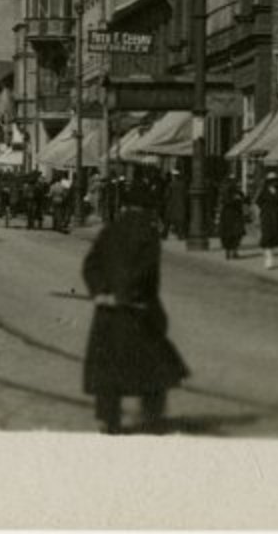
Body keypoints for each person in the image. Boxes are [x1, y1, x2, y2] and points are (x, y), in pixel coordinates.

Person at [81, 185, 189, 435]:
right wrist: (129, 296)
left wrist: (100, 292)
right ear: (147, 209)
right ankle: (152, 417)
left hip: (107, 312)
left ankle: (108, 420)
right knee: (154, 366)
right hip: (137, 309)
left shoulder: (110, 230)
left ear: (126, 207)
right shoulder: (148, 234)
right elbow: (146, 271)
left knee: (107, 368)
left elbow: (91, 265)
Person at [256, 172, 278, 270]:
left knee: (274, 236)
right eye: (271, 181)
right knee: (267, 236)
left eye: (275, 181)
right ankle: (268, 258)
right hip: (266, 216)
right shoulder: (263, 192)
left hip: (276, 217)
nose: (273, 183)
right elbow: (258, 203)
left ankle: (269, 253)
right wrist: (259, 215)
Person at [218, 185, 246, 260]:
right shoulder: (226, 193)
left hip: (235, 216)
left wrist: (240, 198)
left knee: (237, 234)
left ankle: (233, 251)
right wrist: (235, 199)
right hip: (229, 216)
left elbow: (244, 199)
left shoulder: (238, 193)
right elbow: (226, 202)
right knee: (229, 234)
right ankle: (229, 251)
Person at [164, 167, 188, 241]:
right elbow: (186, 195)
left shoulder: (171, 184)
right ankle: (180, 235)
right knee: (180, 221)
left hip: (172, 204)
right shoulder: (183, 184)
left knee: (168, 221)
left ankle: (164, 234)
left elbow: (166, 195)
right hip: (181, 204)